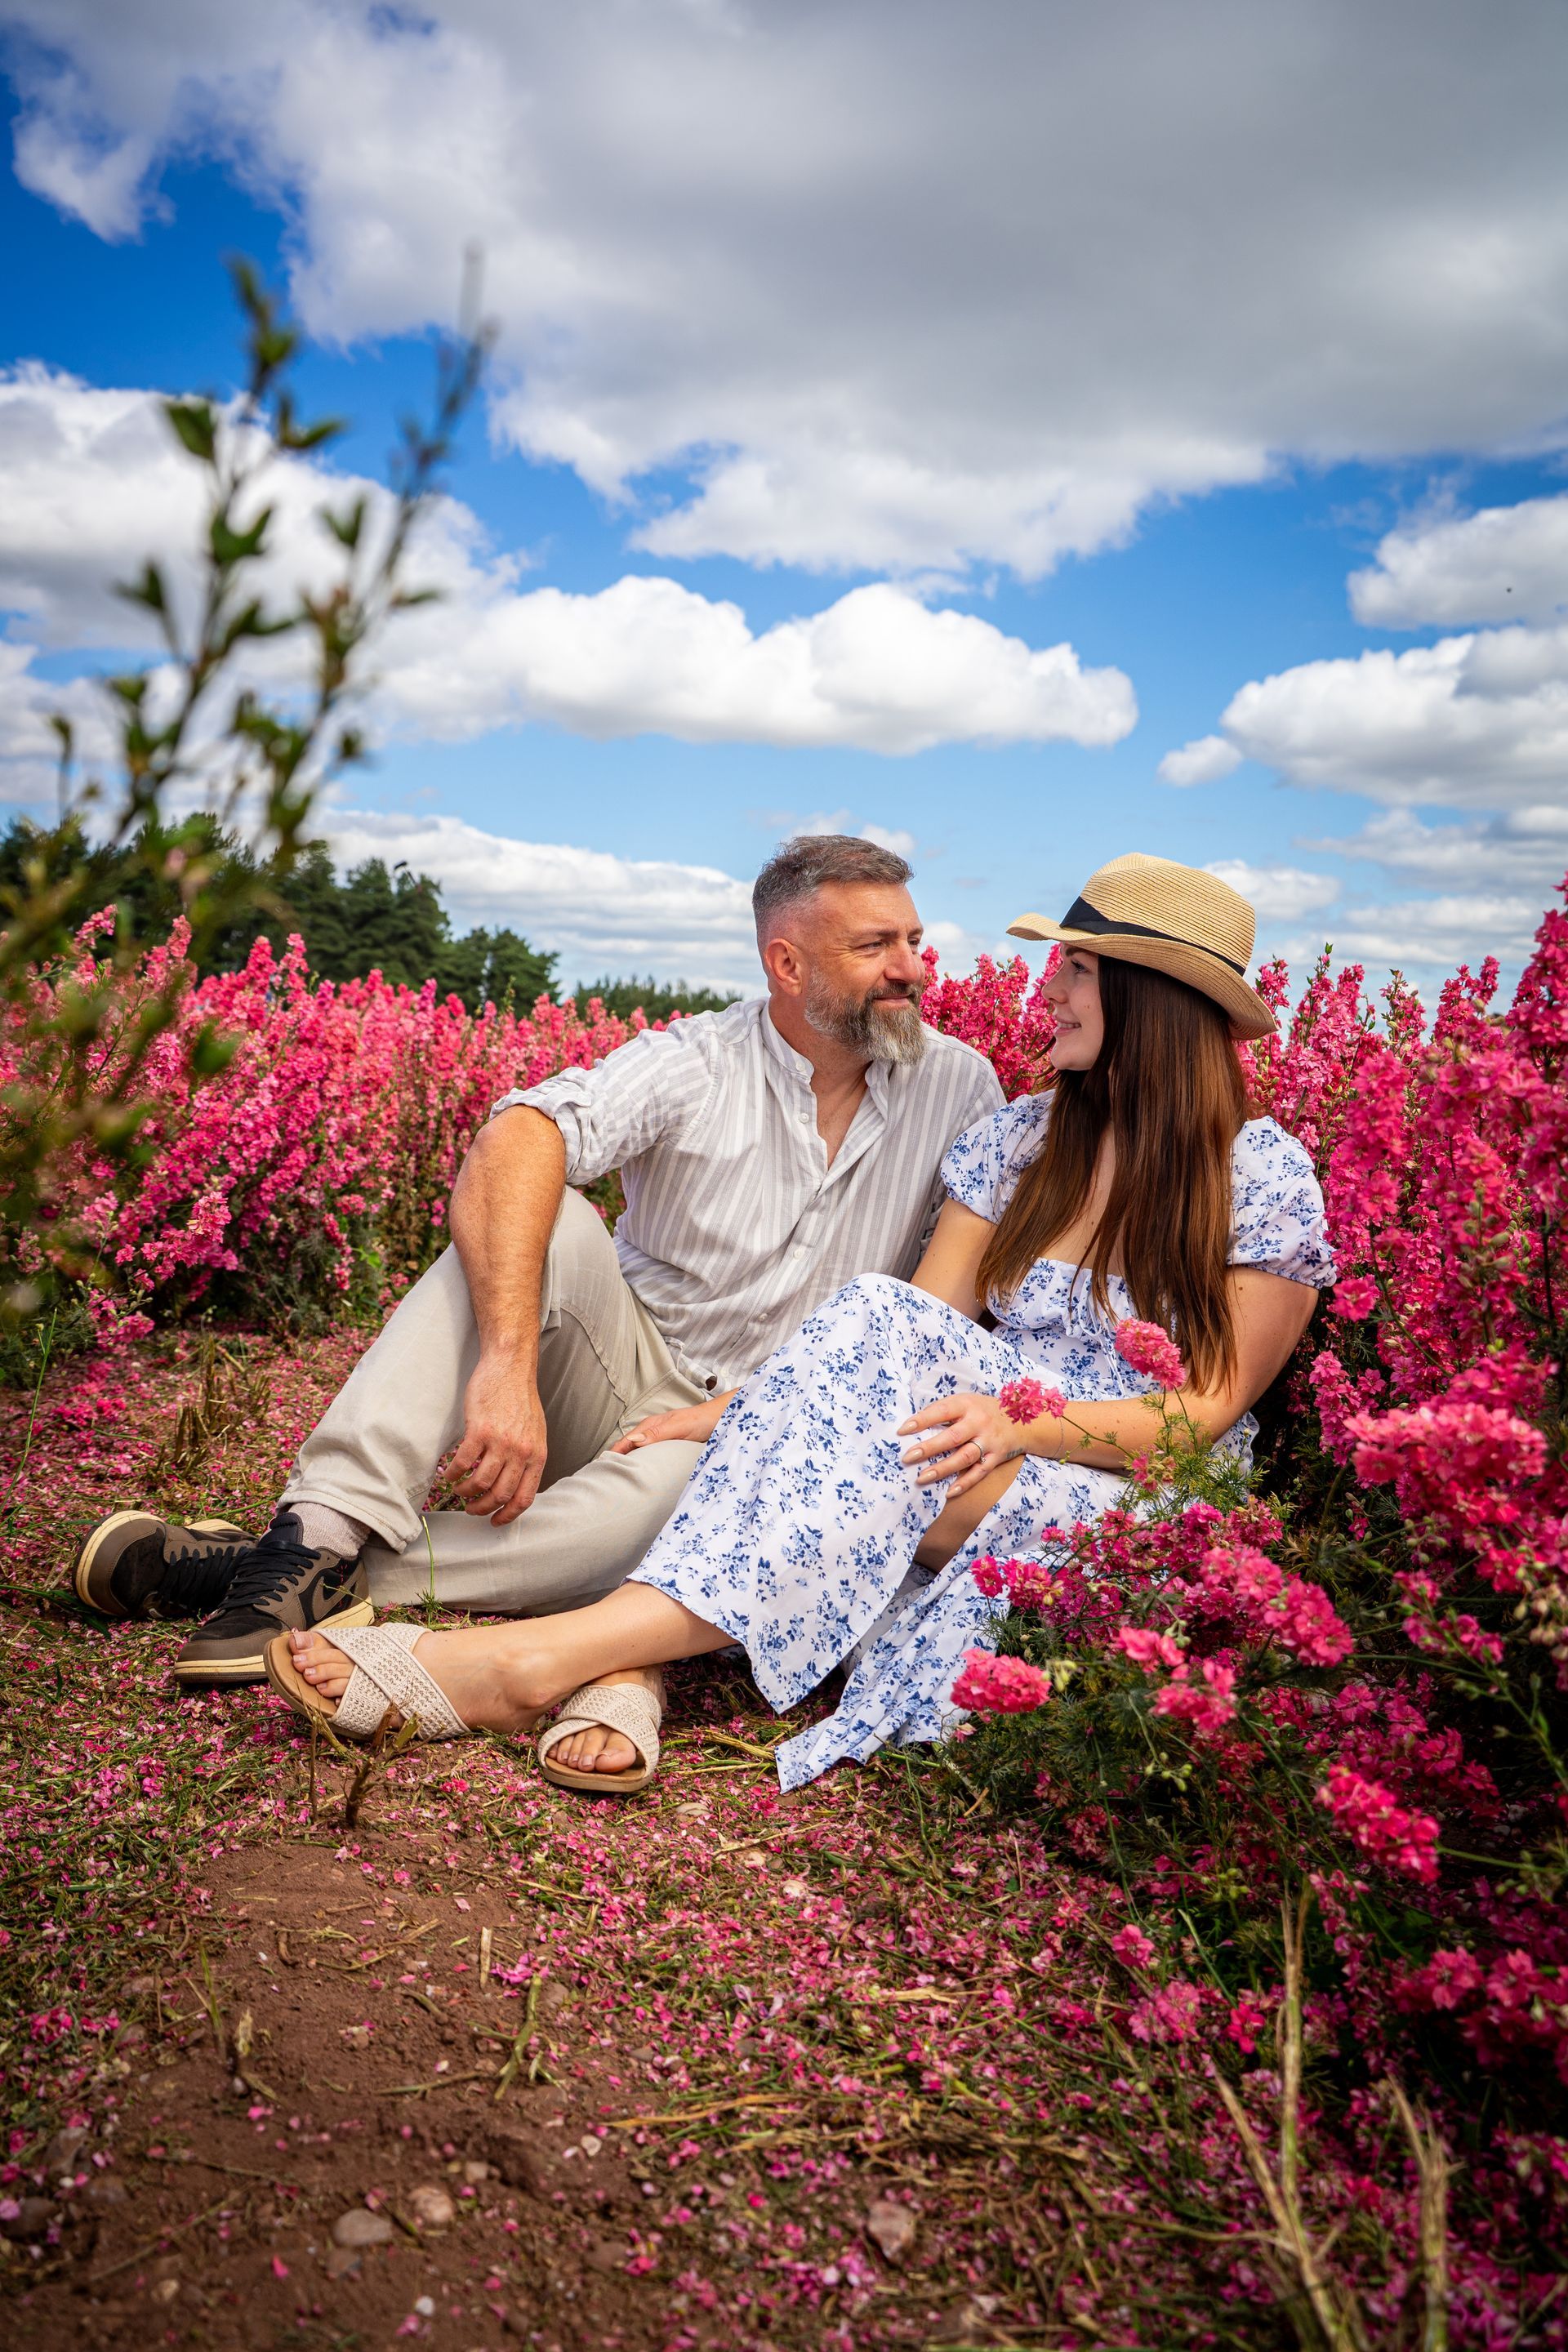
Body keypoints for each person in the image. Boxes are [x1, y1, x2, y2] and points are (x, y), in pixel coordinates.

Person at [264, 852, 1336, 1793]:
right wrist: (739, 1411)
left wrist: (1025, 1423)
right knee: (857, 1364)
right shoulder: (1023, 1141)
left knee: (862, 1462)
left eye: (1079, 970)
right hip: (961, 1446)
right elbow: (909, 1328)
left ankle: (544, 1659)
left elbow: (1201, 1416)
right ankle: (585, 1654)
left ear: (1150, 999)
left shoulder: (1264, 1178)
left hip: (1127, 1491)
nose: (1049, 989)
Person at [71, 835, 1003, 1716]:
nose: (913, 970)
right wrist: (509, 1369)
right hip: (620, 1374)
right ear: (787, 964)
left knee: (680, 1515)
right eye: (877, 945)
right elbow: (518, 1132)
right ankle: (324, 1519)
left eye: (915, 941)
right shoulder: (698, 1060)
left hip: (772, 1428)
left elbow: (936, 1315)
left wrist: (756, 1416)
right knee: (542, 1202)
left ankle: (296, 1565)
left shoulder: (961, 1087)